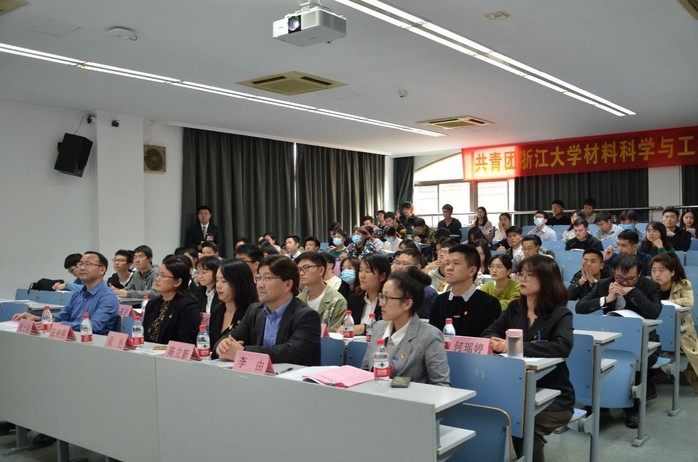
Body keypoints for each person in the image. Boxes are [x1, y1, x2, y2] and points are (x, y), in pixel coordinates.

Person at [482, 255, 574, 462]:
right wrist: (493, 341)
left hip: (553, 396)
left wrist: (514, 346)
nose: (522, 279)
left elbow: (562, 346)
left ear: (547, 280)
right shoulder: (514, 309)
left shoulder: (560, 314)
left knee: (524, 426)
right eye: (521, 274)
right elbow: (489, 332)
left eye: (530, 275)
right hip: (515, 391)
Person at [576, 253, 661, 428]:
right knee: (592, 355)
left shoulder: (650, 286)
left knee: (631, 360)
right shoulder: (604, 284)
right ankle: (598, 403)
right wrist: (607, 299)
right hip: (610, 337)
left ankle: (631, 407)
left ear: (639, 274)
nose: (624, 282)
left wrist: (632, 292)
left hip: (640, 340)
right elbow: (580, 307)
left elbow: (653, 312)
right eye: (619, 278)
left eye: (630, 279)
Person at [214, 255, 321, 366]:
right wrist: (223, 345)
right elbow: (232, 336)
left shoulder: (307, 316)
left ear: (288, 285)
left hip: (294, 375)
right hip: (257, 374)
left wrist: (243, 352)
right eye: (259, 278)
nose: (260, 285)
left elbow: (291, 351)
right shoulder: (254, 310)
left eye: (267, 278)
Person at [361, 267, 450, 386]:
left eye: (387, 298)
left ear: (407, 303)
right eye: (381, 296)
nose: (381, 303)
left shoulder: (429, 336)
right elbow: (365, 370)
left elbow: (442, 385)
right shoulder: (378, 327)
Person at [13, 251, 119, 334]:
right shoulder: (77, 294)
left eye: (88, 264)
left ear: (102, 270)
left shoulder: (108, 297)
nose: (82, 268)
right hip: (71, 340)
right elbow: (61, 317)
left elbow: (94, 326)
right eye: (80, 264)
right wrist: (37, 318)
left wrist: (61, 325)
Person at [649, 253, 698, 394]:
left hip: (681, 326)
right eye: (653, 270)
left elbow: (688, 302)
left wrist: (663, 303)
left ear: (672, 272)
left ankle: (692, 374)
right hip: (654, 326)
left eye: (661, 270)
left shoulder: (683, 284)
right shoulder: (648, 284)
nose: (657, 274)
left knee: (695, 355)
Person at [429, 244, 501, 337]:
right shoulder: (439, 301)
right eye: (447, 263)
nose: (449, 268)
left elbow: (490, 340)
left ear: (472, 271)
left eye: (456, 263)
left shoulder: (489, 304)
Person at [142, 256, 200, 345]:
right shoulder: (152, 304)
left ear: (177, 282)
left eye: (163, 276)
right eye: (158, 275)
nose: (157, 279)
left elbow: (185, 342)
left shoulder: (188, 307)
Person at [210, 259, 257, 356]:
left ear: (239, 282)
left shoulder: (252, 312)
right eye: (217, 280)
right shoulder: (216, 310)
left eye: (224, 281)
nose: (218, 286)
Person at [296, 252, 347, 332]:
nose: (301, 273)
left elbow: (334, 334)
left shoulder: (337, 301)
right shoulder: (298, 300)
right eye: (299, 269)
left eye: (306, 268)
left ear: (321, 270)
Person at [346, 253, 391, 335]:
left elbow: (389, 327)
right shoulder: (354, 298)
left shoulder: (389, 301)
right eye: (360, 270)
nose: (362, 276)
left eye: (368, 271)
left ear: (382, 276)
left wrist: (364, 328)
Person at [391, 249, 437, 318]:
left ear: (417, 267)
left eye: (405, 264)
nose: (400, 267)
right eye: (398, 263)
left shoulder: (428, 293)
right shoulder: (393, 287)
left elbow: (428, 321)